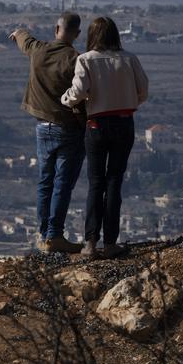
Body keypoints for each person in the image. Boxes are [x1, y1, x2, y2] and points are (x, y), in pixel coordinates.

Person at [61, 16, 148, 258]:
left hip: (97, 125)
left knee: (95, 183)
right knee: (114, 182)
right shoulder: (129, 59)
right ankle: (110, 243)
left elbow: (78, 92)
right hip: (124, 123)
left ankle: (90, 243)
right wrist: (128, 103)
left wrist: (65, 99)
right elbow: (143, 90)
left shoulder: (86, 60)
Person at [10, 12, 86, 254]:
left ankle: (44, 235)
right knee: (62, 184)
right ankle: (55, 235)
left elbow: (25, 40)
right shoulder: (77, 59)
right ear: (77, 34)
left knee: (45, 181)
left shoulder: (39, 51)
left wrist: (18, 32)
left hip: (42, 127)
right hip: (69, 129)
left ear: (56, 29)